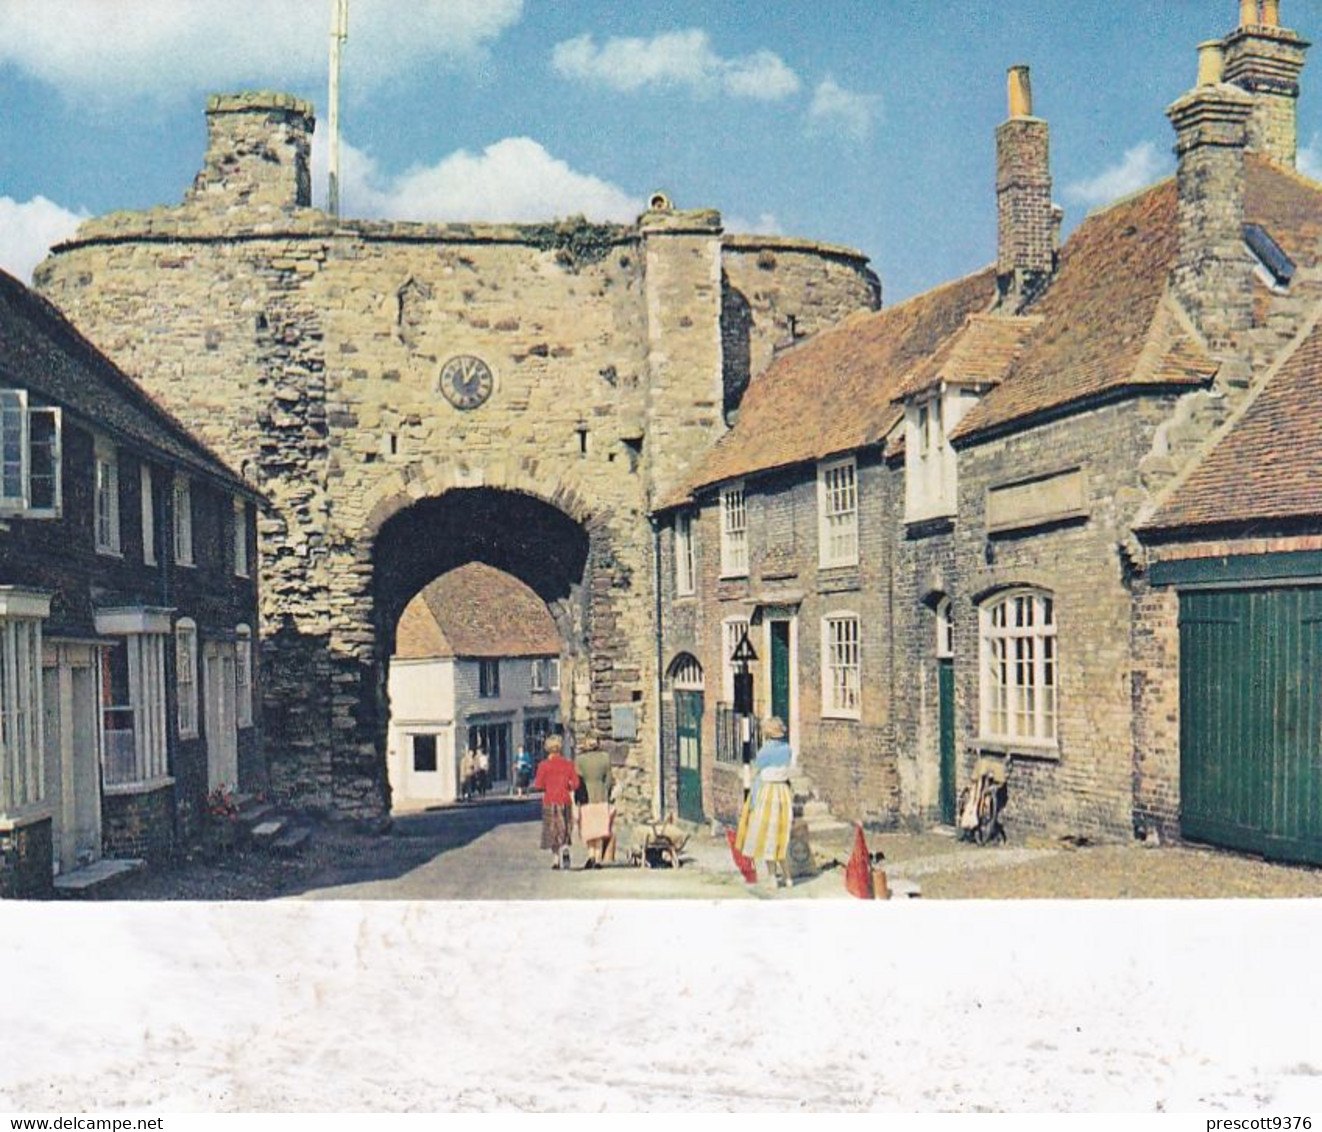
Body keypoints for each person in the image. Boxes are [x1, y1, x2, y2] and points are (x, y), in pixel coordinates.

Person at [734, 716, 795, 888]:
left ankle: (772, 878)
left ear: (767, 733)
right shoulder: (787, 750)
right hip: (783, 793)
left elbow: (757, 772)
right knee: (781, 838)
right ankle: (788, 877)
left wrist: (751, 799)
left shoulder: (764, 752)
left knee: (769, 836)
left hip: (768, 793)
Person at [532, 734, 580, 869]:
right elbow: (576, 784)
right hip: (564, 799)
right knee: (564, 825)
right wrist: (567, 785)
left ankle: (555, 859)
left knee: (552, 828)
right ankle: (565, 848)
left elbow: (538, 785)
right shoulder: (568, 764)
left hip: (550, 799)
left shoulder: (543, 765)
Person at [574, 735, 614, 869]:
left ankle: (591, 855)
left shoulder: (580, 760)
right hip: (601, 795)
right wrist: (606, 791)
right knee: (599, 828)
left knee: (589, 828)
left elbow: (577, 781)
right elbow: (609, 779)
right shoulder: (605, 758)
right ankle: (597, 858)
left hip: (586, 796)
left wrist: (577, 797)